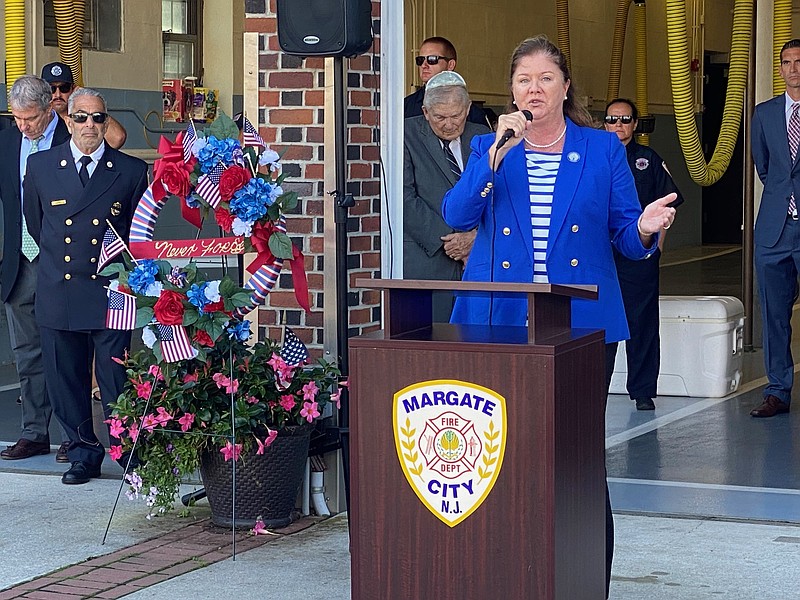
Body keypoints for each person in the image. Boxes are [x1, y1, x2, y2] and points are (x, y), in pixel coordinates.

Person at [441, 35, 676, 598]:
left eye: (546, 78)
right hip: (498, 318)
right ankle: (503, 571)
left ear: (566, 87)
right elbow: (456, 211)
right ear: (511, 90)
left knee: (576, 454)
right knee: (495, 451)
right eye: (523, 79)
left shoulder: (601, 149)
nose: (534, 89)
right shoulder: (489, 147)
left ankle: (585, 577)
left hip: (582, 325)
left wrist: (644, 228)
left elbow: (624, 232)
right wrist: (494, 156)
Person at [23, 87, 148, 484]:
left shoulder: (129, 170)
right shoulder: (41, 167)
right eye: (81, 117)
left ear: (106, 122)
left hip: (111, 291)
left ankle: (129, 453)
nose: (90, 125)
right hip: (58, 289)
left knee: (114, 379)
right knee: (66, 379)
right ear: (67, 119)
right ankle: (82, 454)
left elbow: (135, 231)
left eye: (98, 118)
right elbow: (35, 224)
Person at [0, 76, 71, 462]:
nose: (23, 127)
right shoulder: (9, 142)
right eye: (16, 119)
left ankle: (74, 435)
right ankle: (34, 433)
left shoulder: (73, 137)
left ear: (50, 109)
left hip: (60, 259)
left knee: (64, 349)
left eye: (29, 119)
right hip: (19, 262)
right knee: (26, 352)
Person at [604, 98, 684, 411]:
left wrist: (657, 246)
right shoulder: (594, 158)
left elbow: (668, 203)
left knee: (641, 324)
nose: (618, 126)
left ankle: (642, 390)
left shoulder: (646, 159)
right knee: (603, 326)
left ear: (635, 124)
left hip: (639, 255)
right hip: (604, 255)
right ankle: (596, 389)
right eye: (612, 120)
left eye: (625, 120)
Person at [404, 71, 490, 321]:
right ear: (425, 112)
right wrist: (452, 242)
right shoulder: (405, 134)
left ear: (468, 109)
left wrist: (474, 238)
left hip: (477, 259)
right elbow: (405, 199)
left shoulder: (481, 135)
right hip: (428, 260)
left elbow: (496, 195)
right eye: (440, 117)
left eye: (456, 116)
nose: (449, 124)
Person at [750, 39, 800, 418]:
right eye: (786, 62)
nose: (793, 68)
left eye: (799, 61)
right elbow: (765, 168)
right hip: (774, 229)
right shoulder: (764, 113)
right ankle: (778, 391)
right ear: (780, 68)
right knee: (774, 314)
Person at [404, 36, 491, 128]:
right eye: (420, 60)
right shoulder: (405, 107)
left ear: (450, 65)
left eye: (432, 59)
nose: (424, 65)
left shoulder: (473, 113)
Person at [40, 62, 127, 149]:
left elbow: (117, 138)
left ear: (73, 89)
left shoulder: (81, 118)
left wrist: (85, 98)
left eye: (64, 88)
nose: (58, 95)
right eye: (51, 89)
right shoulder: (35, 119)